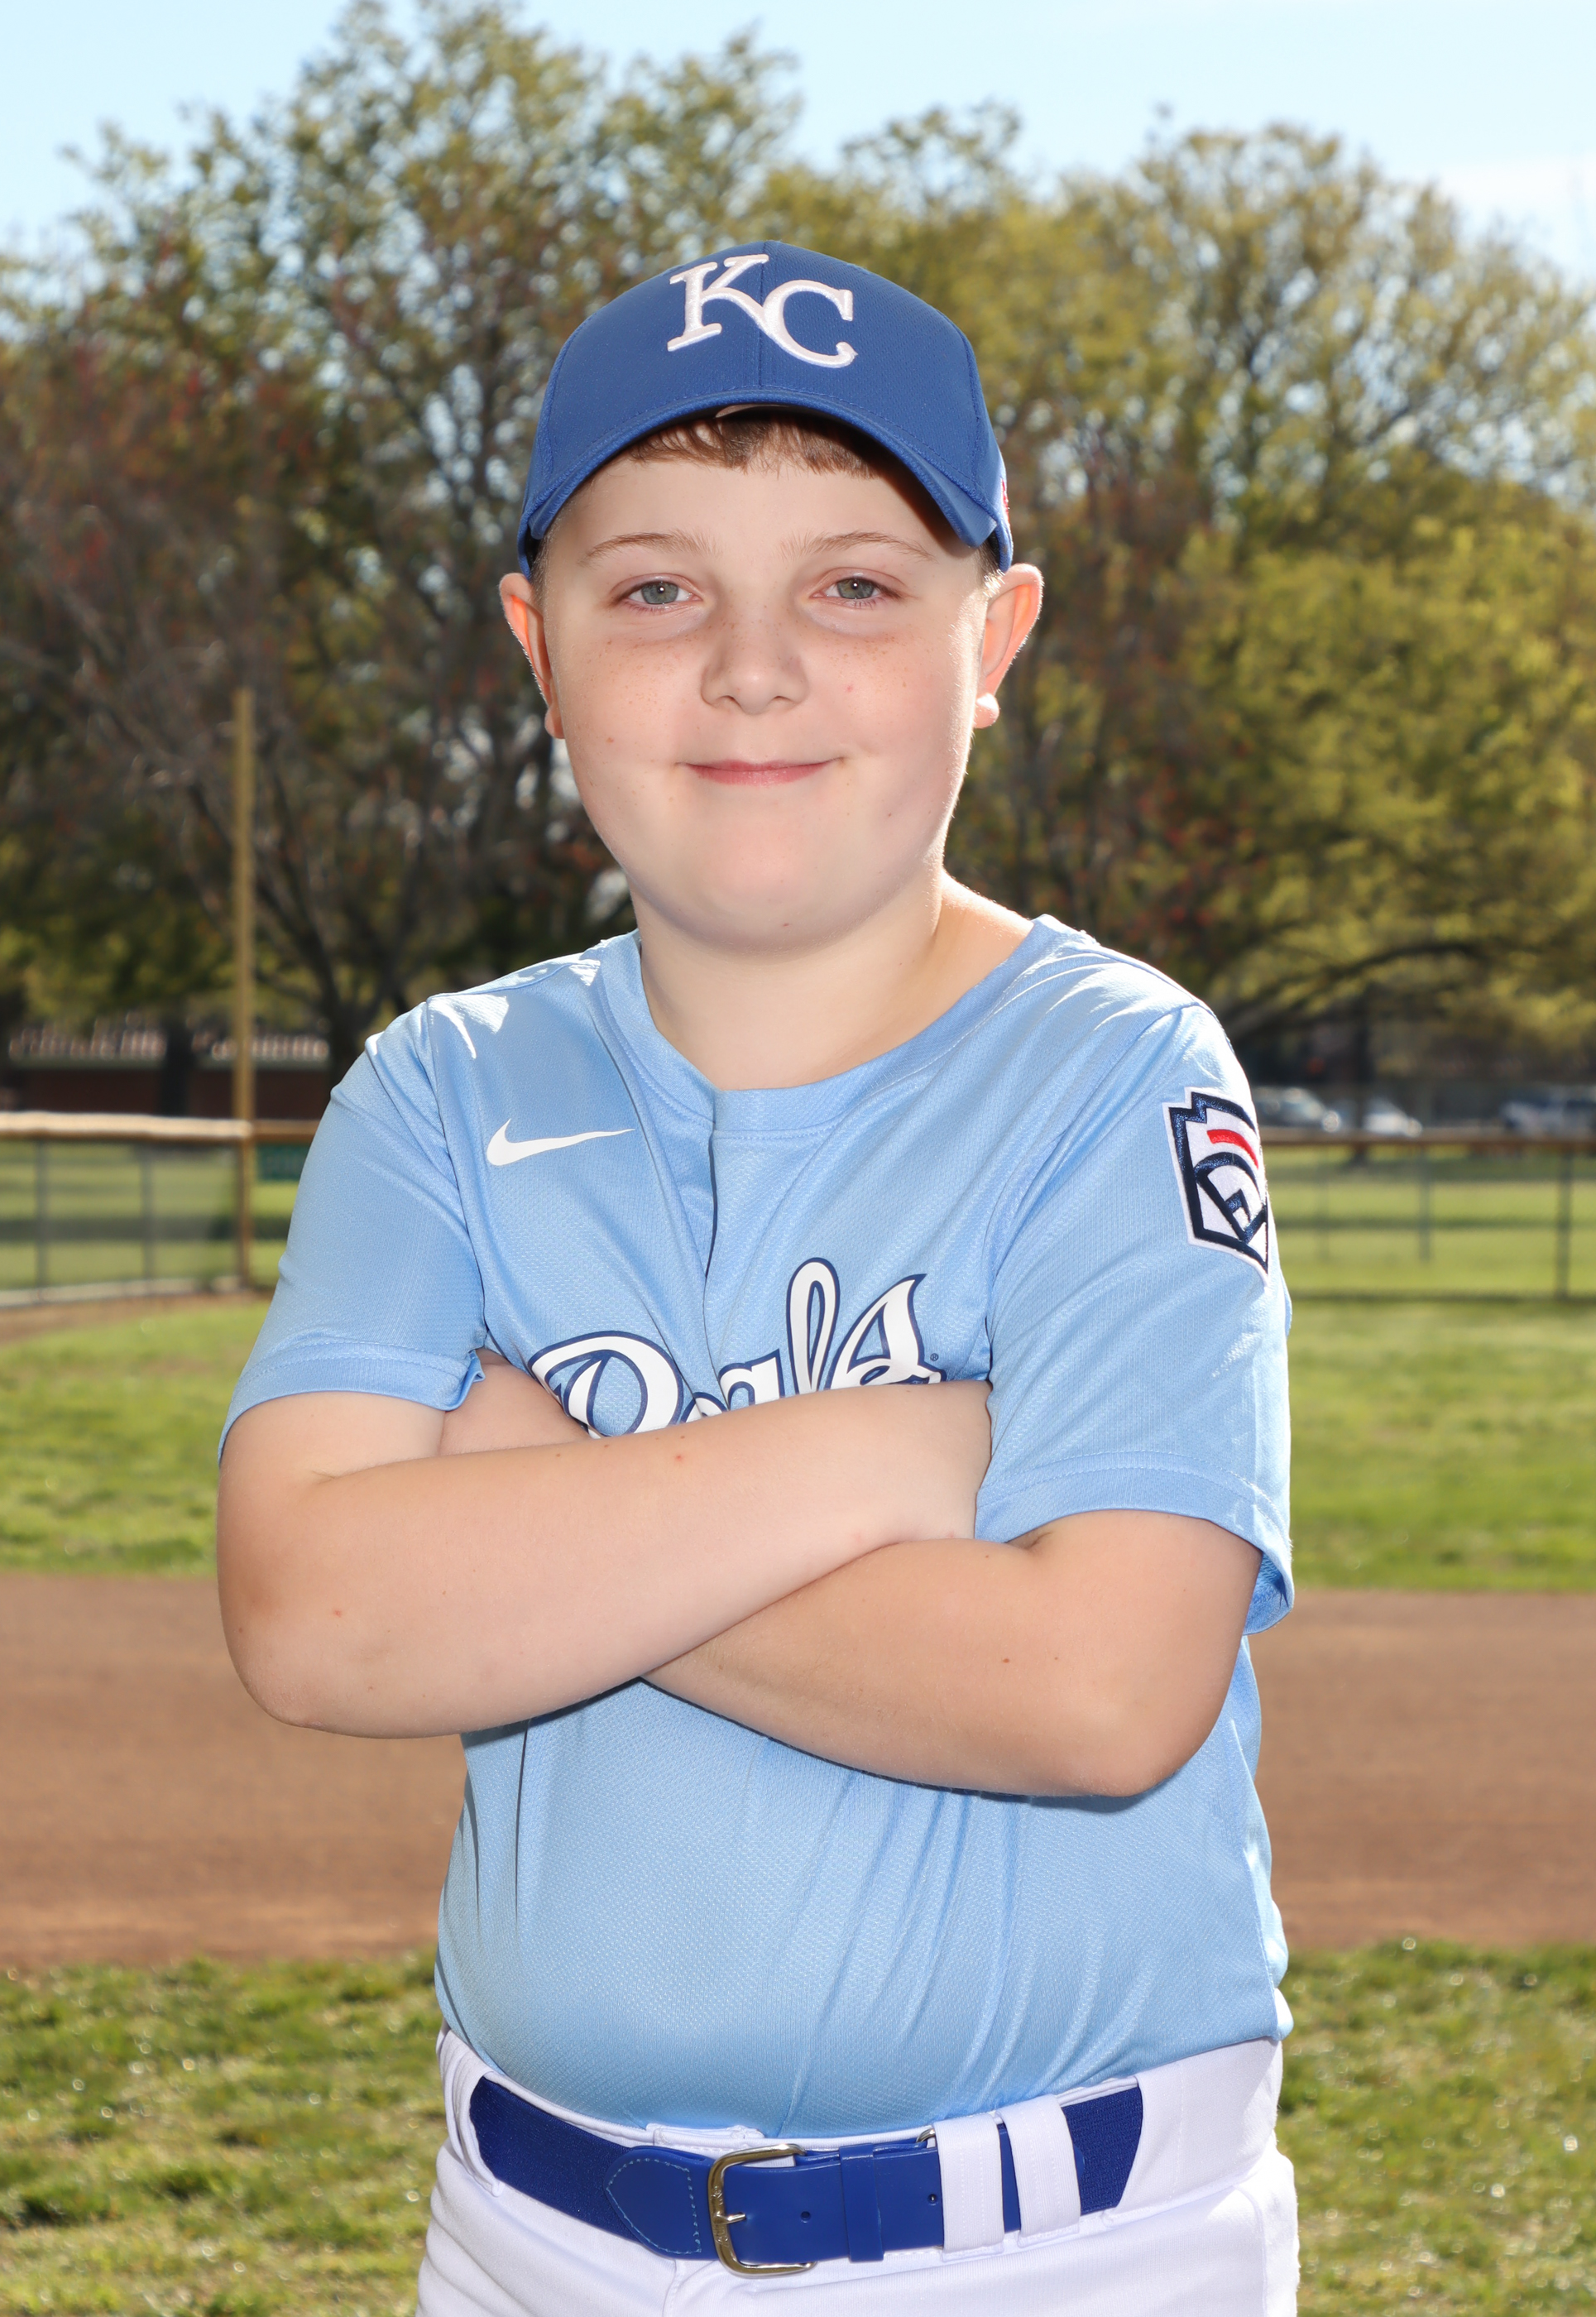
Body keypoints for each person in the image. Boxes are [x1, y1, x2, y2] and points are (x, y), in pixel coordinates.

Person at [217, 242, 1297, 2315]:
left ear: (995, 635)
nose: (751, 667)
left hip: (1057, 2251)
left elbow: (1099, 1684)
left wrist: (535, 1499)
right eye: (654, 589)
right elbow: (310, 1612)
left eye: (855, 586)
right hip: (528, 2245)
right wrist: (886, 1455)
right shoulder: (443, 1090)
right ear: (538, 647)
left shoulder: (1117, 1068)